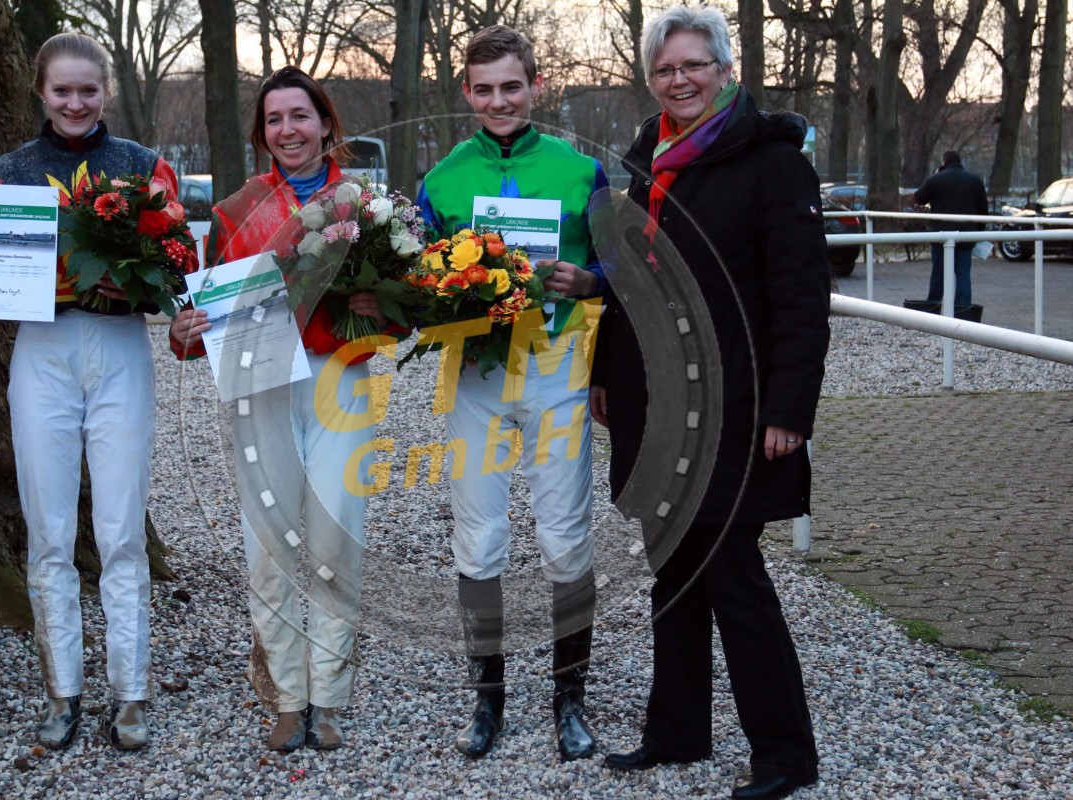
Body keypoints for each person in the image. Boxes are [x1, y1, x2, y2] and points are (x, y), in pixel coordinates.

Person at [589, 7, 829, 799]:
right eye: (665, 69)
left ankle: (785, 755)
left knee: (733, 576)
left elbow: (800, 298)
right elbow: (628, 282)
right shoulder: (649, 162)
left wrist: (789, 409)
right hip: (654, 406)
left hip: (732, 406)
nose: (679, 80)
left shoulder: (771, 164)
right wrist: (603, 373)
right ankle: (677, 733)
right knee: (673, 574)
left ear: (725, 70)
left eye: (694, 65)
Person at [0, 33, 184, 752]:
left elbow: (175, 262)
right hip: (42, 349)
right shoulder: (11, 170)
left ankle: (131, 692)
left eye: (87, 90)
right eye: (61, 91)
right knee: (48, 528)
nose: (75, 103)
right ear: (41, 93)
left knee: (120, 528)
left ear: (106, 90)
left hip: (120, 346)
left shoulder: (142, 166)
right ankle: (62, 690)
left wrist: (147, 268)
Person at [170, 66, 388, 753]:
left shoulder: (367, 205)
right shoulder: (234, 210)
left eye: (299, 115)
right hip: (261, 381)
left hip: (338, 377)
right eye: (274, 120)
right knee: (268, 545)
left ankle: (330, 695)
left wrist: (380, 307)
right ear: (261, 133)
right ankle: (285, 697)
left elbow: (404, 308)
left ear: (325, 123)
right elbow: (205, 310)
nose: (288, 130)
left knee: (335, 536)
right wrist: (185, 330)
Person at [415, 25, 608, 761]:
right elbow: (417, 281)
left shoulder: (580, 171)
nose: (499, 101)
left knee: (565, 533)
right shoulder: (443, 178)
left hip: (557, 365)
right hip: (477, 373)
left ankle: (569, 697)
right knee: (479, 533)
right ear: (466, 92)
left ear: (536, 86)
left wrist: (589, 281)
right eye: (485, 89)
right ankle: (487, 698)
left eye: (512, 86)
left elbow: (621, 269)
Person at [914, 150, 988, 307]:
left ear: (943, 162)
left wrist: (937, 174)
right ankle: (963, 309)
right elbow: (983, 210)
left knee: (939, 273)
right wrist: (979, 233)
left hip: (940, 234)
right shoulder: (975, 181)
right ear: (960, 162)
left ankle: (933, 306)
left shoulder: (936, 179)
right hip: (965, 234)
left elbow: (919, 198)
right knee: (963, 274)